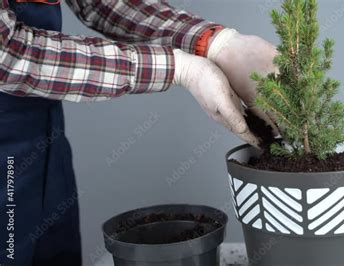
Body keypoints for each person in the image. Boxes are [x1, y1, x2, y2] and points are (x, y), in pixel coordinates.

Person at [0, 0, 278, 265]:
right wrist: (179, 68)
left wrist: (215, 43)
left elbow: (102, 4)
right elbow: (6, 56)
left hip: (43, 132)